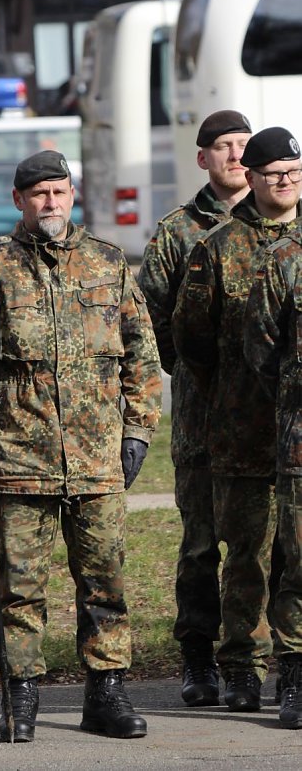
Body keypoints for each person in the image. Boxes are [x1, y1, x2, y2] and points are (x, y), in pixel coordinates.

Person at [0, 150, 162, 742]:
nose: (49, 203)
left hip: (96, 458)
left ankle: (106, 693)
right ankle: (21, 696)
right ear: (18, 202)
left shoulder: (108, 263)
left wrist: (137, 431)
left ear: (72, 195)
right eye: (37, 194)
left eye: (58, 192)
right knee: (18, 587)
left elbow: (141, 355)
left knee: (105, 583)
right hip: (19, 458)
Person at [172, 127, 302, 713]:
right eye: (274, 172)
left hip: (299, 433)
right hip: (238, 427)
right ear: (250, 177)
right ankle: (241, 666)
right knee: (244, 553)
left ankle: (294, 668)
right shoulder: (218, 246)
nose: (285, 181)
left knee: (298, 553)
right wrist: (230, 390)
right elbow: (191, 339)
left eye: (293, 171)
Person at [139, 110, 253, 708]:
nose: (236, 155)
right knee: (202, 544)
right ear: (203, 158)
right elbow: (151, 318)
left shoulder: (288, 223)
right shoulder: (178, 232)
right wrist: (199, 369)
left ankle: (255, 657)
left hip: (270, 420)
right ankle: (198, 657)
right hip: (204, 418)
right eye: (223, 147)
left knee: (267, 543)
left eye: (243, 144)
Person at [243, 231, 302, 729]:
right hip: (301, 444)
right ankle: (298, 676)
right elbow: (262, 349)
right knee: (300, 564)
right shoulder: (284, 259)